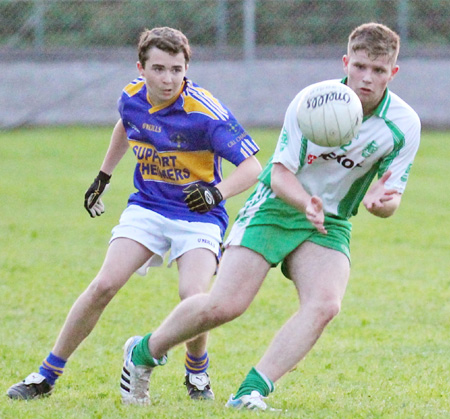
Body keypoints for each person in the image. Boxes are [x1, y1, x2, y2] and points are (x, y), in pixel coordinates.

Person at [115, 22, 421, 410]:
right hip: (275, 207)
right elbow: (278, 175)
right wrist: (304, 202)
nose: (367, 77)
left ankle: (250, 392)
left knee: (325, 304)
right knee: (225, 305)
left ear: (392, 73)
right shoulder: (311, 103)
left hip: (331, 221)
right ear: (346, 62)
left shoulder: (404, 124)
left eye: (378, 70)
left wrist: (382, 204)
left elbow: (389, 196)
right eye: (360, 66)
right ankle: (143, 352)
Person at [6, 27, 262, 404]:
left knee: (194, 296)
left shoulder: (206, 113)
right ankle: (46, 374)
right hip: (148, 206)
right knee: (104, 285)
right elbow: (127, 126)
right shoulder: (130, 96)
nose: (168, 79)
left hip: (197, 216)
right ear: (140, 68)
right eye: (158, 68)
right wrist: (104, 175)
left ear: (187, 68)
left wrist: (215, 193)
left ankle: (197, 372)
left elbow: (254, 168)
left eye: (177, 69)